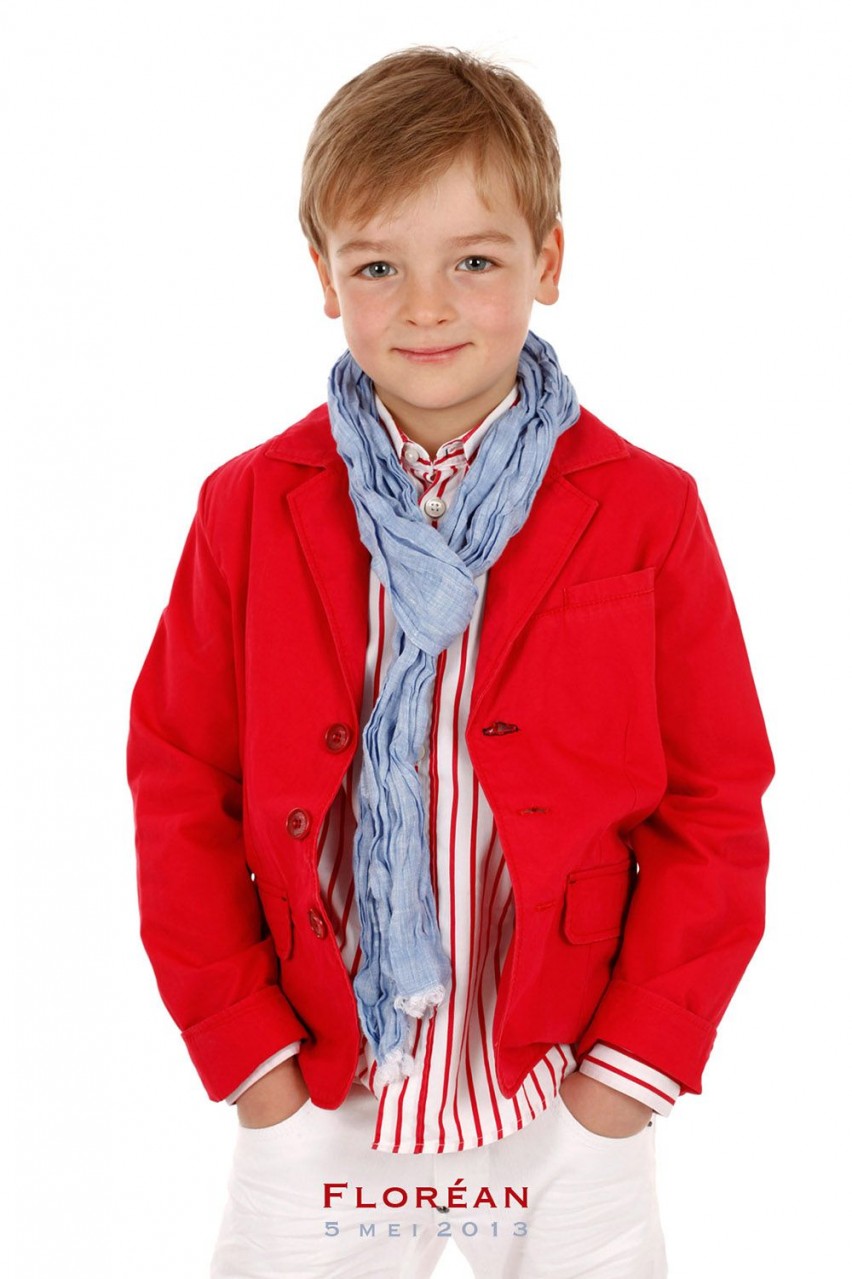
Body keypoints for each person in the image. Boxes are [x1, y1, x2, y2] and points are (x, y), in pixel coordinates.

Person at [127, 46, 774, 1279]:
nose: (427, 308)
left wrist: (622, 1084)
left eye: (474, 261)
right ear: (324, 276)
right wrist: (257, 1069)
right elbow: (178, 785)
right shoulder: (248, 507)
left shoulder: (648, 511)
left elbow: (715, 805)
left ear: (549, 261)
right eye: (380, 266)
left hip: (559, 1082)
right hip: (324, 1083)